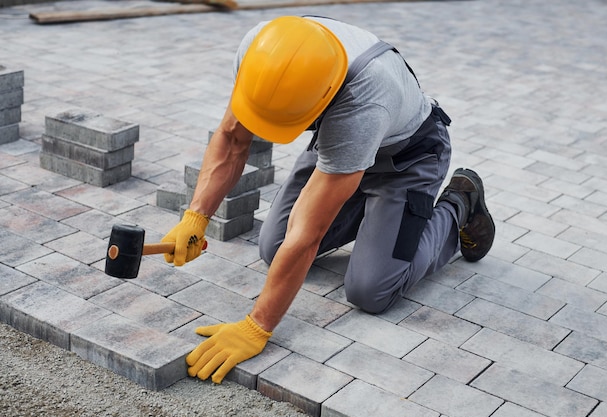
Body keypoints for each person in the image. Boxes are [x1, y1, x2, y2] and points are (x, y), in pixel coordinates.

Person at [161, 15, 495, 384]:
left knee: (371, 289)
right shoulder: (264, 47)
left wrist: (257, 327)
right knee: (274, 248)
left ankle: (459, 203)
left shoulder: (363, 101)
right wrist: (196, 216)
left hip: (406, 160)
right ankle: (372, 216)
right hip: (340, 150)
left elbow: (307, 236)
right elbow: (232, 136)